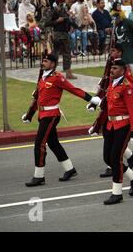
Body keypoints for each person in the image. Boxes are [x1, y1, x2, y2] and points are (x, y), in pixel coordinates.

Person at [22, 53, 101, 187]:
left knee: (39, 144)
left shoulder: (57, 78)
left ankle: (39, 176)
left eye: (46, 61)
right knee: (53, 143)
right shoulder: (42, 76)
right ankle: (70, 169)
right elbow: (38, 98)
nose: (43, 63)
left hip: (51, 115)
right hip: (43, 115)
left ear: (53, 64)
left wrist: (91, 99)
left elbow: (73, 89)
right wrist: (29, 114)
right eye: (43, 61)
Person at [101, 59, 133, 204]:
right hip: (110, 125)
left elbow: (132, 110)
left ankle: (117, 193)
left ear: (123, 70)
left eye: (115, 68)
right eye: (111, 68)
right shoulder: (111, 84)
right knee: (107, 158)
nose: (111, 70)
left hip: (123, 126)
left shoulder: (126, 86)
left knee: (115, 158)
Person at [46, 0, 77, 80]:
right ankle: (51, 71)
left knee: (67, 53)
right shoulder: (53, 11)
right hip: (57, 34)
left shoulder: (64, 10)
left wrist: (72, 25)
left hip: (65, 34)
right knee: (55, 53)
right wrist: (57, 21)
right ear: (59, 2)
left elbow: (68, 20)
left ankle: (68, 72)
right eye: (62, 2)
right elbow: (46, 23)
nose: (63, 3)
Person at [113, 14, 133, 82]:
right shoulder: (116, 26)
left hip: (130, 47)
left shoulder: (128, 22)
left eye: (117, 18)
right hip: (121, 48)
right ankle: (126, 79)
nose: (116, 20)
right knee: (123, 65)